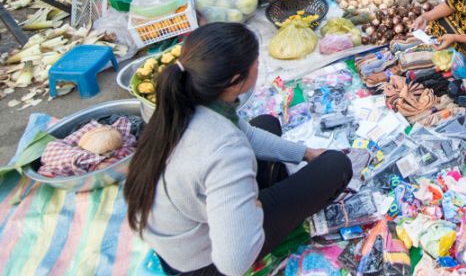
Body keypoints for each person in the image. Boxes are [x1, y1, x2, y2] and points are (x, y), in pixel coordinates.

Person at [124, 23, 351, 276]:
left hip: (181, 227)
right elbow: (233, 263)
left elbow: (248, 134)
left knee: (267, 123)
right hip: (203, 261)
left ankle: (262, 190)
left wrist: (306, 153)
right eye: (256, 63)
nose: (259, 66)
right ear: (235, 81)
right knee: (335, 165)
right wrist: (254, 205)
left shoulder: (186, 101)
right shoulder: (225, 150)